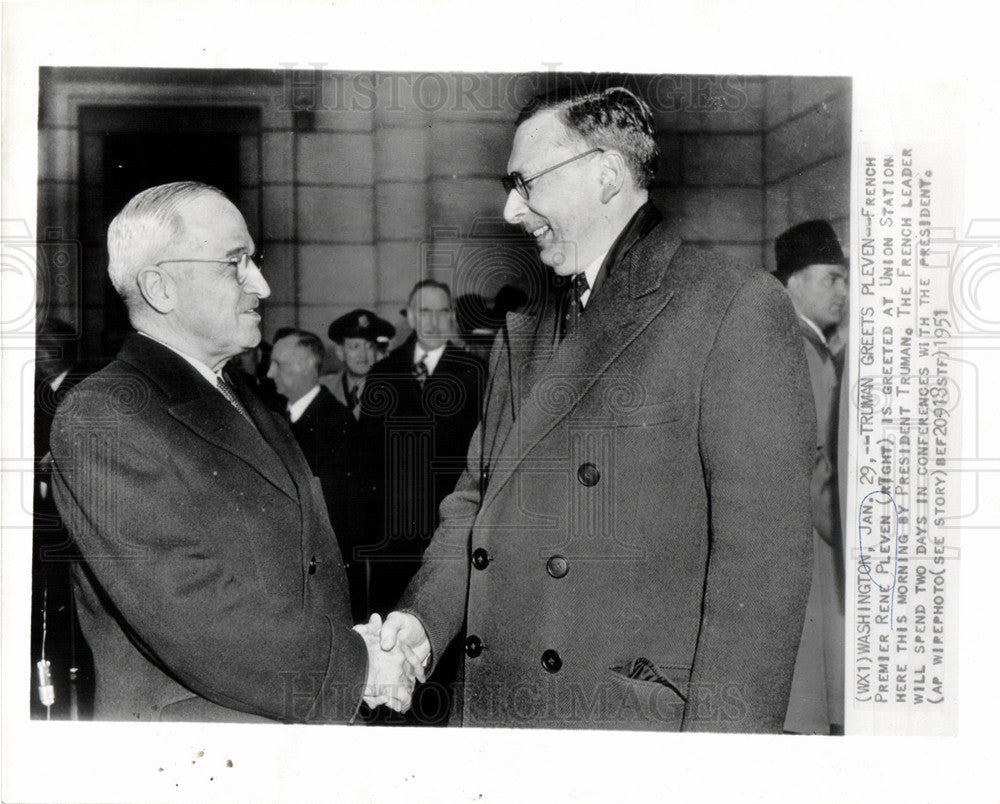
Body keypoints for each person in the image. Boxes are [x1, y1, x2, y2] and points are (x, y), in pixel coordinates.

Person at [379, 86, 816, 732]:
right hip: (499, 716)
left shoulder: (732, 306)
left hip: (624, 736)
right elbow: (475, 503)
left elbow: (761, 581)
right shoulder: (520, 330)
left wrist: (723, 770)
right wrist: (421, 623)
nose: (509, 210)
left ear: (606, 175)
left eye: (525, 184)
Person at [48, 181, 417, 723]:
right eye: (234, 263)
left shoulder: (245, 397)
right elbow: (188, 609)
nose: (262, 285)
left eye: (255, 260)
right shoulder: (103, 415)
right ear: (160, 287)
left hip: (289, 727)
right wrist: (357, 667)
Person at [360, 280, 487, 617]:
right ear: (412, 317)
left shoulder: (475, 373)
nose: (434, 321)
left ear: (451, 318)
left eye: (442, 312)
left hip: (449, 528)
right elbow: (368, 459)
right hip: (393, 533)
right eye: (425, 312)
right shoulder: (382, 374)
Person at [773, 219, 849, 735]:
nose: (843, 292)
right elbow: (808, 463)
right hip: (810, 536)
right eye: (831, 278)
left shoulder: (809, 342)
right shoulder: (794, 347)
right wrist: (852, 534)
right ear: (793, 280)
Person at [268, 327, 373, 620]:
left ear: (305, 367)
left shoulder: (338, 426)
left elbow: (343, 520)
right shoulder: (276, 416)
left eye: (279, 365)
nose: (270, 373)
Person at [321, 309, 396, 421]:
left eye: (370, 347)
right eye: (355, 346)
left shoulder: (394, 391)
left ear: (378, 353)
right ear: (340, 352)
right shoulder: (323, 387)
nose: (363, 355)